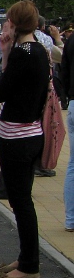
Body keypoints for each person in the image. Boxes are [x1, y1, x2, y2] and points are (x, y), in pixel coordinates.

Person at [0, 0, 49, 278]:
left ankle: (29, 266)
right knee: (23, 199)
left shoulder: (22, 53)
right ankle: (27, 256)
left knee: (20, 202)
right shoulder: (39, 50)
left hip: (16, 136)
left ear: (14, 24)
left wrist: (5, 56)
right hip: (33, 132)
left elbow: (0, 92)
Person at [60, 29, 74, 233]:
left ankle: (71, 219)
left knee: (73, 164)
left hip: (73, 104)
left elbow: (63, 72)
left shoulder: (71, 41)